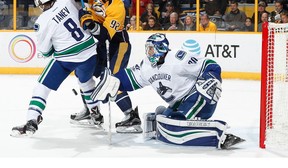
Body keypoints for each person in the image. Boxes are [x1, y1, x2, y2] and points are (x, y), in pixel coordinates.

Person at [91, 33, 245, 149]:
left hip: (199, 97)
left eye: (151, 49)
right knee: (163, 121)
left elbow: (210, 65)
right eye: (147, 49)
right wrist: (113, 82)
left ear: (161, 48)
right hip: (178, 103)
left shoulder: (178, 58)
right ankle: (178, 118)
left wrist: (212, 78)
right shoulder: (146, 66)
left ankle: (218, 135)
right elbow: (130, 78)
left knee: (174, 126)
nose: (148, 52)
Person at [10, 0, 98, 136]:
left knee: (41, 87)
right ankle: (96, 114)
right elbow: (83, 1)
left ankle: (32, 121)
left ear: (39, 3)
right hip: (90, 52)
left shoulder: (42, 21)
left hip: (67, 58)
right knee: (86, 82)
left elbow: (45, 52)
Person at [70, 0, 142, 133]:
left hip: (118, 45)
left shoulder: (118, 7)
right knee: (84, 71)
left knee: (112, 80)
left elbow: (104, 35)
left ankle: (131, 116)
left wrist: (89, 22)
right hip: (103, 46)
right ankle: (91, 110)